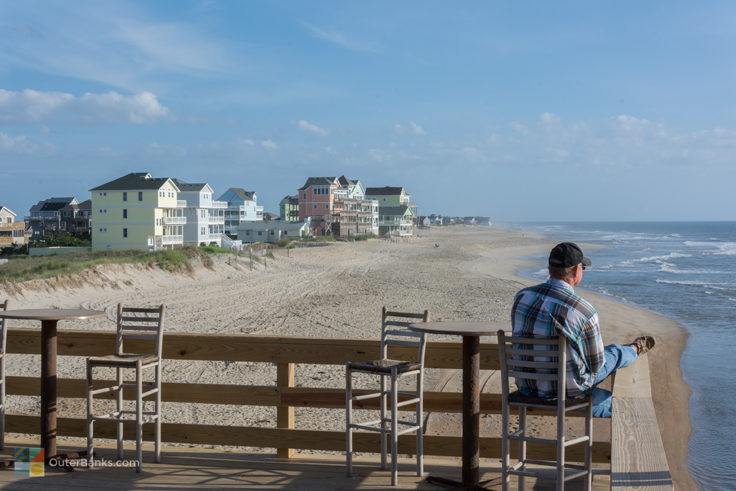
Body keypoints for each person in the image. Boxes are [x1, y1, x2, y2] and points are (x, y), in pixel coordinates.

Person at [510, 242, 655, 418]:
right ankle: (634, 349)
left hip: (527, 389)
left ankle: (631, 349)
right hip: (566, 393)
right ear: (576, 271)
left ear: (550, 268)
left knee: (610, 355)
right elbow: (596, 365)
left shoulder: (523, 296)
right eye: (583, 267)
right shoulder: (582, 310)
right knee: (613, 357)